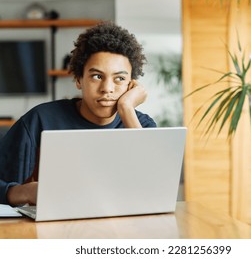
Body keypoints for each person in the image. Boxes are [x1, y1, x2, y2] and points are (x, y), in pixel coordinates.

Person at [0, 21, 156, 206]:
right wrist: (25, 192)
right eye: (97, 76)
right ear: (78, 80)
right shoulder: (41, 120)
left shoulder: (142, 126)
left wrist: (127, 109)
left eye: (120, 79)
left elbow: (155, 190)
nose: (107, 88)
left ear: (132, 85)